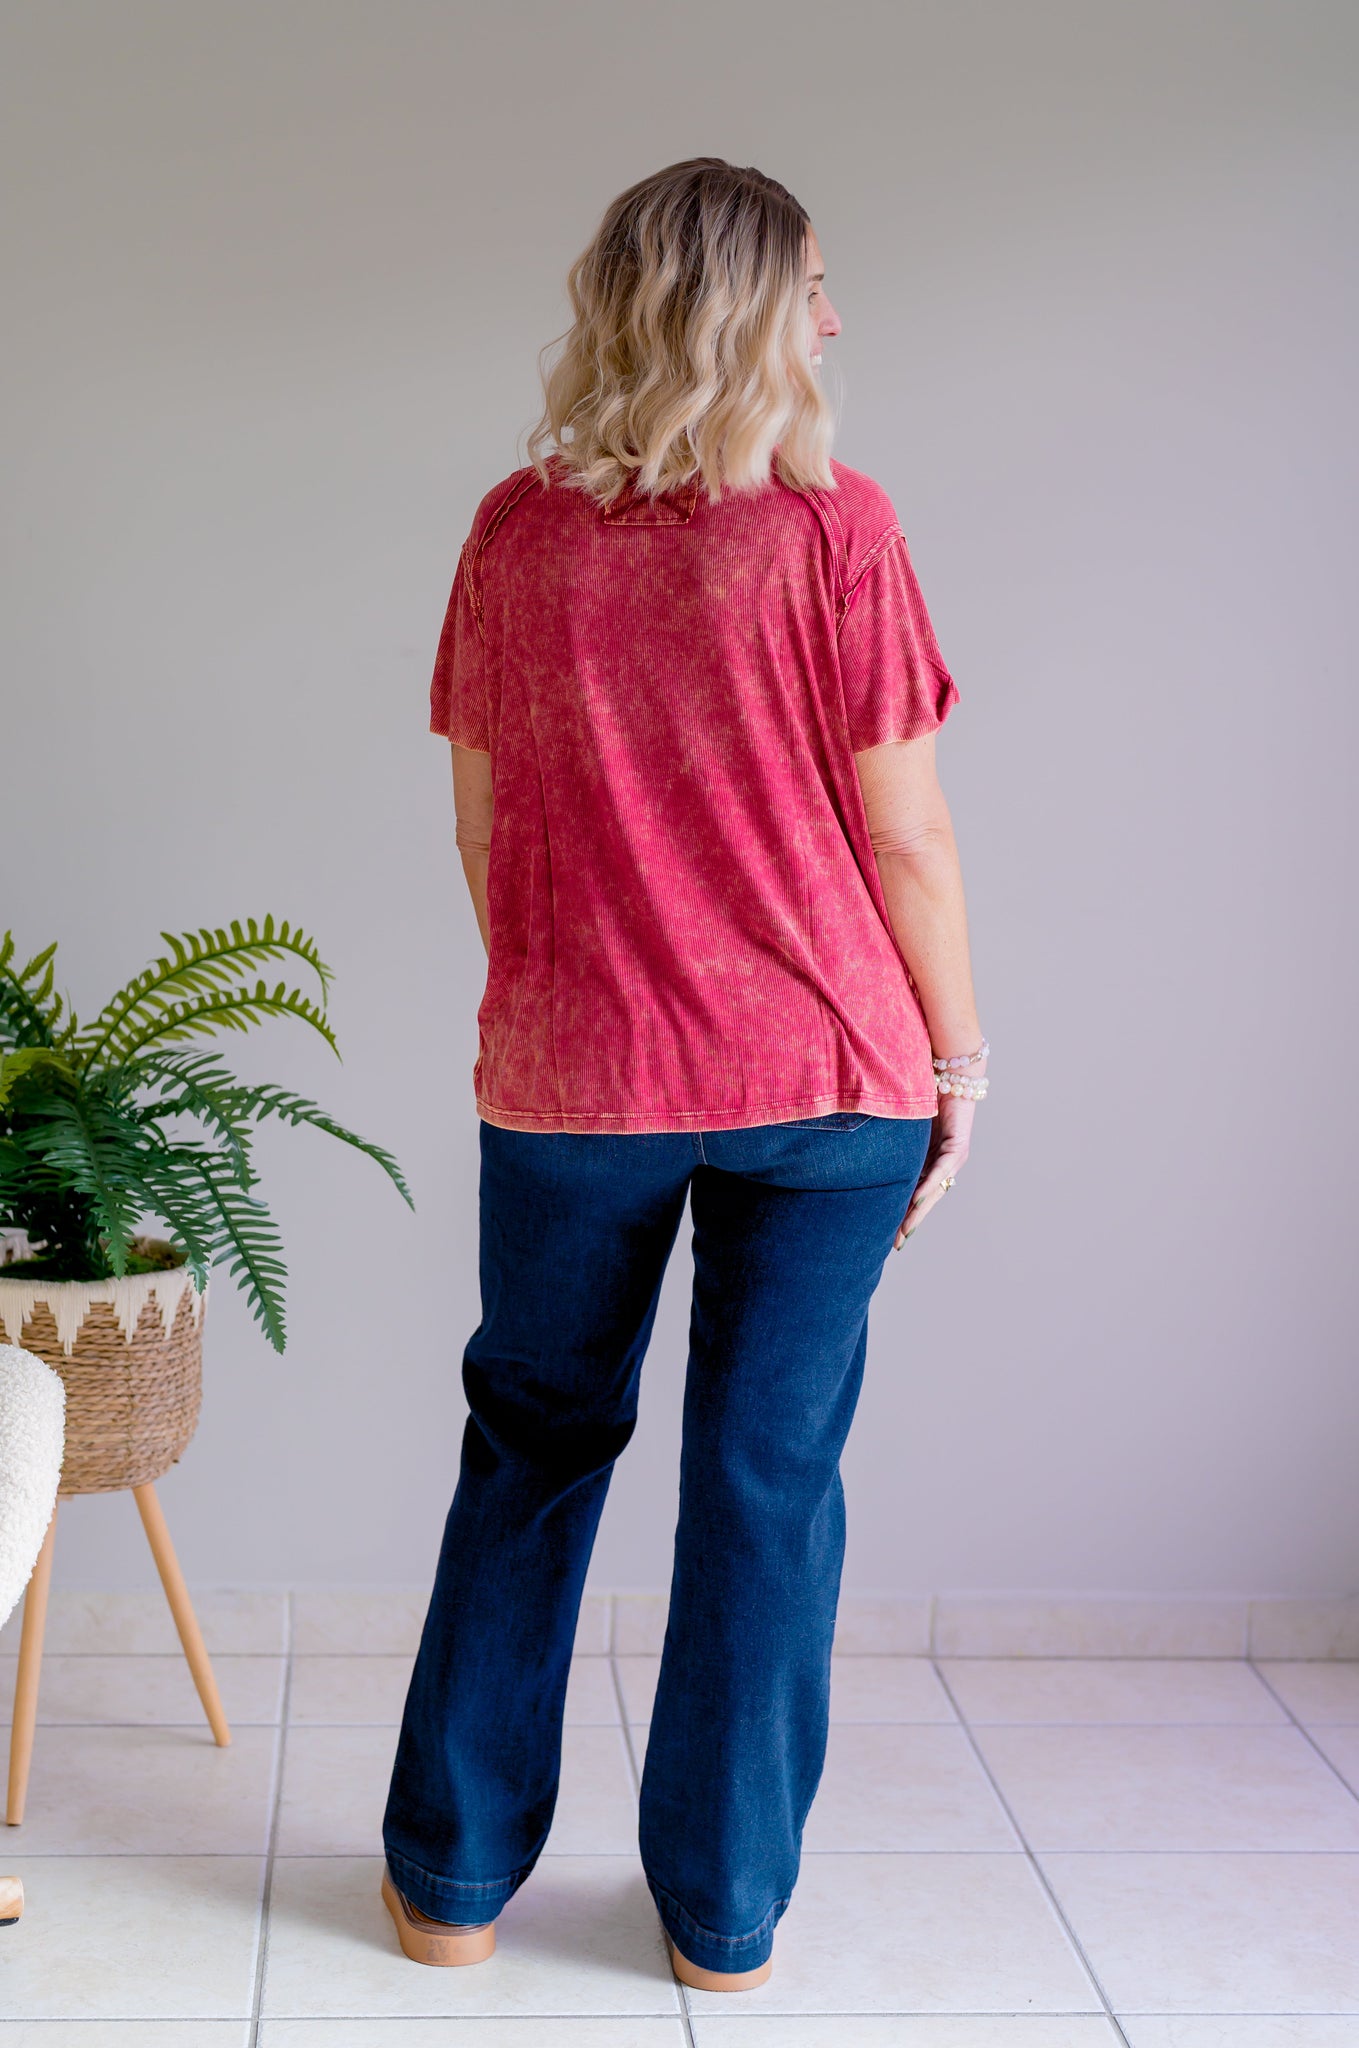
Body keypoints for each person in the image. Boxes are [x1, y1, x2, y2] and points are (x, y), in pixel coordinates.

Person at [381, 157, 988, 1991]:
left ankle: (451, 1893)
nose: (836, 316)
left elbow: (484, 823)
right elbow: (909, 841)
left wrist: (571, 992)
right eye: (812, 285)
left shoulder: (514, 534)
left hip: (573, 1084)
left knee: (532, 1451)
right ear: (743, 311)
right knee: (763, 1480)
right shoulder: (839, 534)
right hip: (830, 1078)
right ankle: (723, 1925)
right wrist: (960, 1061)